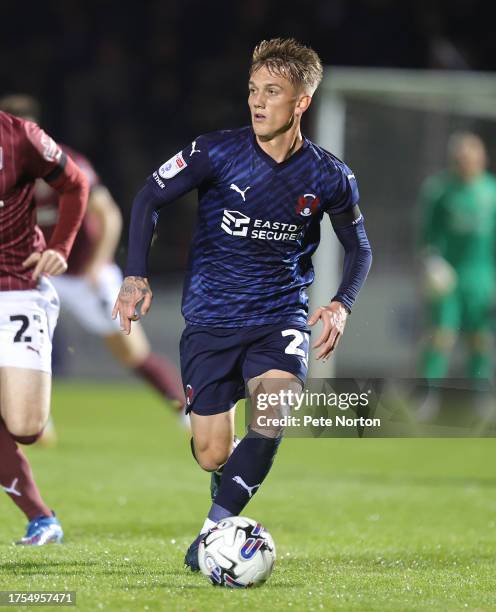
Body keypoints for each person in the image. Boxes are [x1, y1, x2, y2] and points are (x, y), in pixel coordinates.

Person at [112, 38, 372, 571]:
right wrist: (135, 274)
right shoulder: (215, 152)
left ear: (301, 102)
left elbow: (359, 246)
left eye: (272, 92)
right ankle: (225, 488)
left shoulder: (329, 176)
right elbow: (148, 198)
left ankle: (211, 535)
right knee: (212, 452)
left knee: (273, 412)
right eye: (253, 90)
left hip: (279, 317)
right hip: (210, 321)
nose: (257, 101)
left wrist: (342, 303)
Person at [0, 96, 185, 446]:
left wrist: (99, 264)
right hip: (33, 270)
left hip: (83, 270)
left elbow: (108, 213)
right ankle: (31, 419)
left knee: (131, 351)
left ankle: (183, 409)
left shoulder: (64, 161)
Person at [0, 108, 88, 544]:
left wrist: (62, 246)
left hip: (16, 286)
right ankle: (41, 518)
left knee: (25, 427)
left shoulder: (20, 138)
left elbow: (76, 184)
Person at [419, 133, 496, 382]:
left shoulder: (491, 192)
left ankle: (481, 393)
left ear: (482, 159)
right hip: (448, 276)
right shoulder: (440, 190)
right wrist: (432, 262)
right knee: (442, 334)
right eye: (461, 158)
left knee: (480, 336)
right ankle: (426, 392)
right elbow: (426, 234)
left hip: (482, 275)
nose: (466, 163)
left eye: (471, 157)